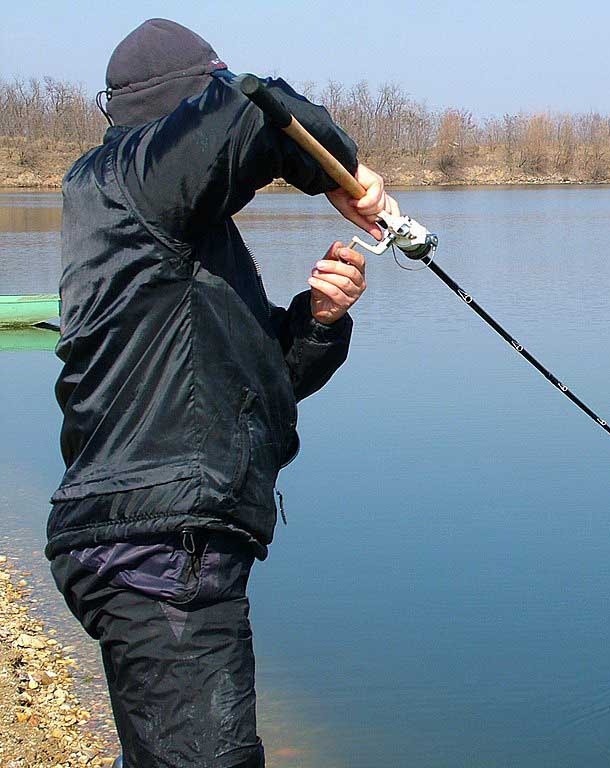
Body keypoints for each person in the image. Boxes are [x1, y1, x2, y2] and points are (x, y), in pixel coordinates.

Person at [47, 18, 393, 768]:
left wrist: (320, 321)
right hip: (156, 548)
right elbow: (253, 107)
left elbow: (251, 388)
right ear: (181, 109)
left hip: (150, 541)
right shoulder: (127, 179)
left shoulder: (168, 229)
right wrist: (344, 173)